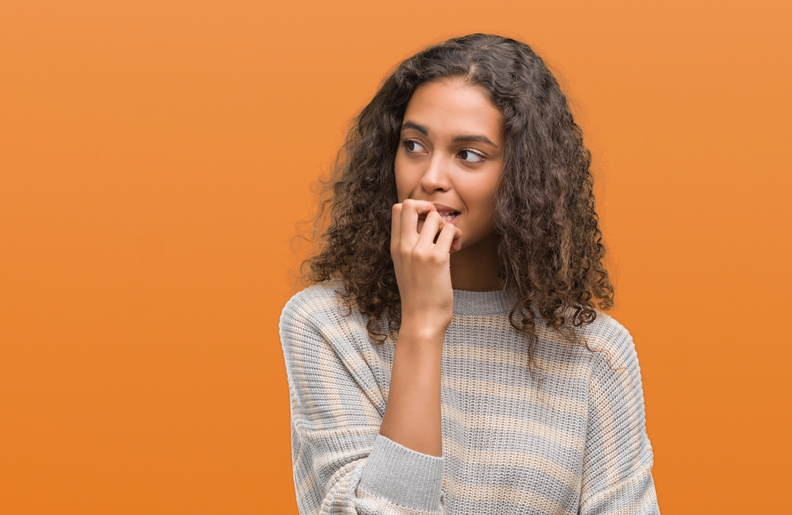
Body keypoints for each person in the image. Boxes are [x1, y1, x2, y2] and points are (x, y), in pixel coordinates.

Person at [278, 34, 660, 515]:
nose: (431, 177)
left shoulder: (595, 353)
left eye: (469, 155)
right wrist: (422, 324)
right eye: (414, 145)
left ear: (524, 174)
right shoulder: (326, 327)